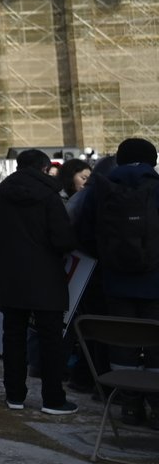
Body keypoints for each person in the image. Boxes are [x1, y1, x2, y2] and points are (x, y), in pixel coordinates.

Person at [0, 149, 80, 414]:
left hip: (11, 277)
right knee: (50, 339)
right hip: (47, 278)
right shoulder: (50, 198)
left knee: (13, 337)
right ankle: (53, 399)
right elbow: (63, 240)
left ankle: (14, 396)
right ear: (45, 169)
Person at [73, 137, 159, 427]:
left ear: (119, 160)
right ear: (152, 160)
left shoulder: (100, 189)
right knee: (156, 339)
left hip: (114, 282)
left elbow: (83, 234)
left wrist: (109, 260)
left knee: (123, 340)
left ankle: (130, 405)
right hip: (156, 283)